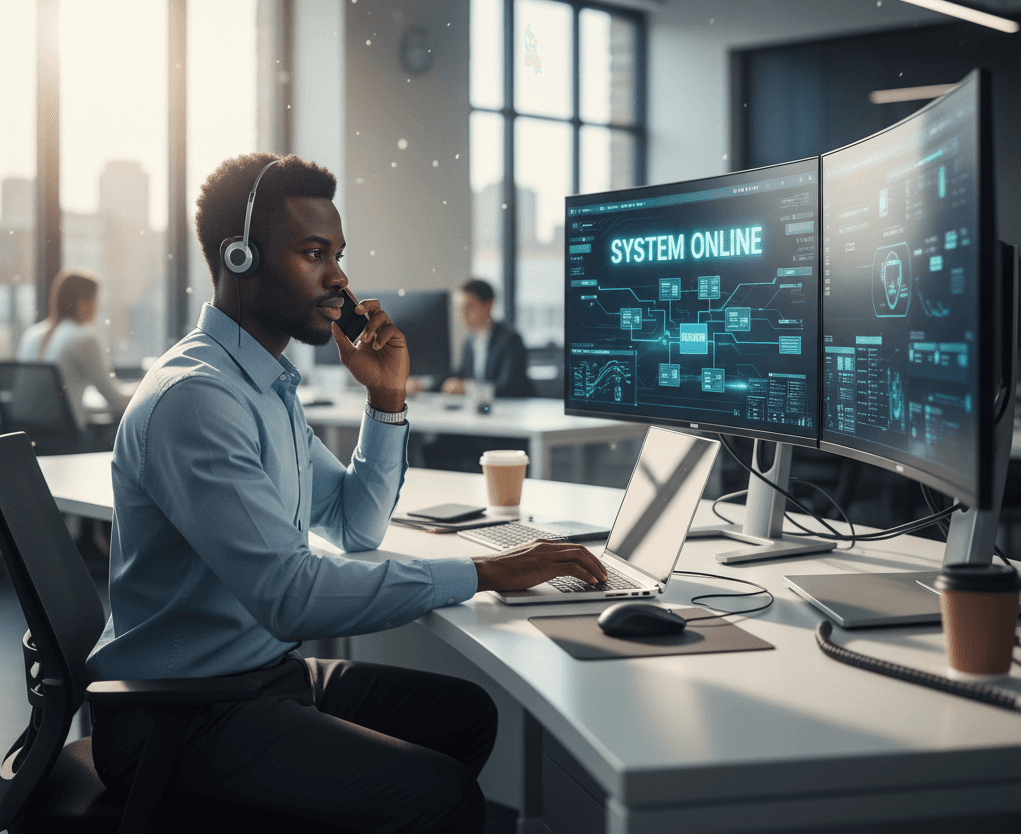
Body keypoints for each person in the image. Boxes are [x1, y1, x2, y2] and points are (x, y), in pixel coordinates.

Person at [85, 153, 606, 833]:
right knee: (442, 796)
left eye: (338, 255)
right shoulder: (198, 398)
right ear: (240, 257)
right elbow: (289, 596)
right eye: (313, 254)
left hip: (254, 677)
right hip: (180, 715)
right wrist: (484, 571)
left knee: (465, 715)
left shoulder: (262, 386)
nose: (339, 277)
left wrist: (386, 399)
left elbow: (353, 525)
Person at [16, 269, 134, 430]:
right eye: (94, 300)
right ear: (84, 301)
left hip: (25, 433)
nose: (97, 307)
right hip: (65, 435)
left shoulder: (32, 334)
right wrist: (146, 386)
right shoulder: (84, 338)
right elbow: (117, 402)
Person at [441, 279, 535, 398]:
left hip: (512, 406)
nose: (462, 314)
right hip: (484, 406)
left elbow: (509, 387)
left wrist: (467, 388)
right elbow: (459, 376)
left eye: (469, 307)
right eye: (458, 308)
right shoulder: (469, 342)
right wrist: (426, 385)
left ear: (488, 305)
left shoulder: (510, 340)